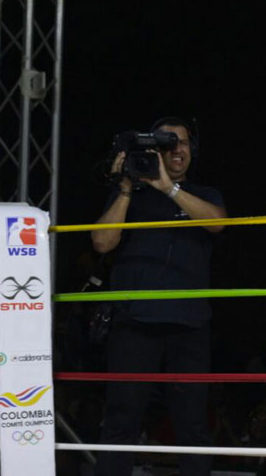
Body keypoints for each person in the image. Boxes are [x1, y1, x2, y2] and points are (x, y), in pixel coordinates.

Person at [91, 117, 226, 476]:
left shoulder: (205, 195)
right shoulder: (131, 195)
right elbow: (102, 242)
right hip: (134, 323)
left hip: (189, 326)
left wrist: (169, 189)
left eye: (182, 143)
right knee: (122, 418)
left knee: (192, 423)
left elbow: (217, 223)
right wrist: (124, 187)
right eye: (167, 145)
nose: (177, 150)